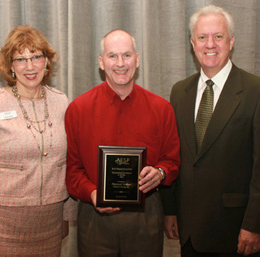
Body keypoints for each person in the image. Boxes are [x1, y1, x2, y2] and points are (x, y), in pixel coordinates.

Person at [160, 5, 260, 257]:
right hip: (189, 230)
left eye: (218, 36)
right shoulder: (179, 92)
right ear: (192, 43)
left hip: (235, 230)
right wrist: (170, 209)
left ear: (231, 41)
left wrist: (254, 225)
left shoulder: (259, 92)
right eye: (202, 37)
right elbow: (174, 154)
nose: (210, 44)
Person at [0, 25, 77, 257]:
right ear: (11, 66)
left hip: (50, 222)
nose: (30, 66)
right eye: (21, 59)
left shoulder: (62, 102)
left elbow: (66, 163)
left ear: (46, 62)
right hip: (3, 224)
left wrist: (67, 214)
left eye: (36, 56)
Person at [65, 29, 180, 257]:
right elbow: (72, 171)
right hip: (94, 218)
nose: (120, 63)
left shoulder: (161, 109)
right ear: (101, 62)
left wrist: (160, 173)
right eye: (112, 56)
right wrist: (92, 193)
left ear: (137, 60)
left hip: (146, 216)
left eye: (127, 55)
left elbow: (173, 161)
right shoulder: (78, 109)